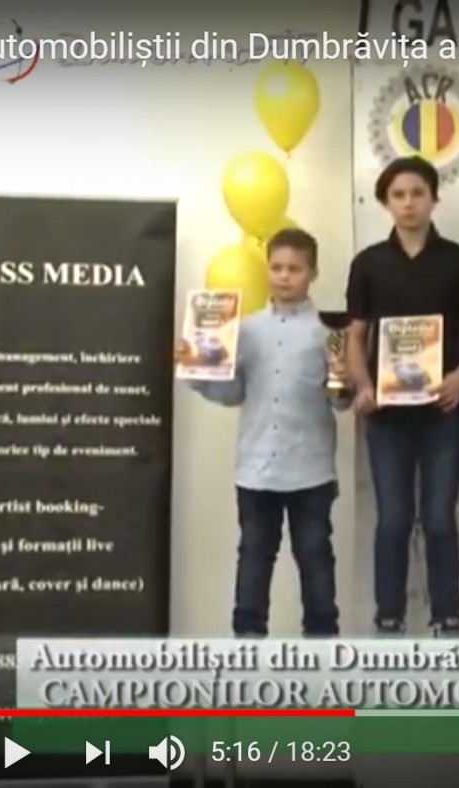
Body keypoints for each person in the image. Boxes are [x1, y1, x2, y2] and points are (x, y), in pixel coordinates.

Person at [345, 156, 459, 637]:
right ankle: (388, 619)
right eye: (398, 195)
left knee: (438, 518)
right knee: (393, 519)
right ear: (386, 202)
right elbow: (355, 336)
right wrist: (363, 386)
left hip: (443, 412)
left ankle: (447, 618)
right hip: (386, 416)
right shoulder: (368, 263)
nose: (408, 203)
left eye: (417, 193)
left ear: (434, 198)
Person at [176, 228, 347, 637]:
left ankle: (323, 645)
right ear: (266, 269)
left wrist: (343, 380)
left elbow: (340, 402)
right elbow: (233, 393)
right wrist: (194, 370)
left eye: (294, 269)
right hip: (255, 469)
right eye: (276, 267)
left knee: (315, 558)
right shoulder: (244, 330)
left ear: (313, 273)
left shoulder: (330, 333)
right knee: (254, 557)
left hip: (311, 470)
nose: (284, 276)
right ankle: (248, 644)